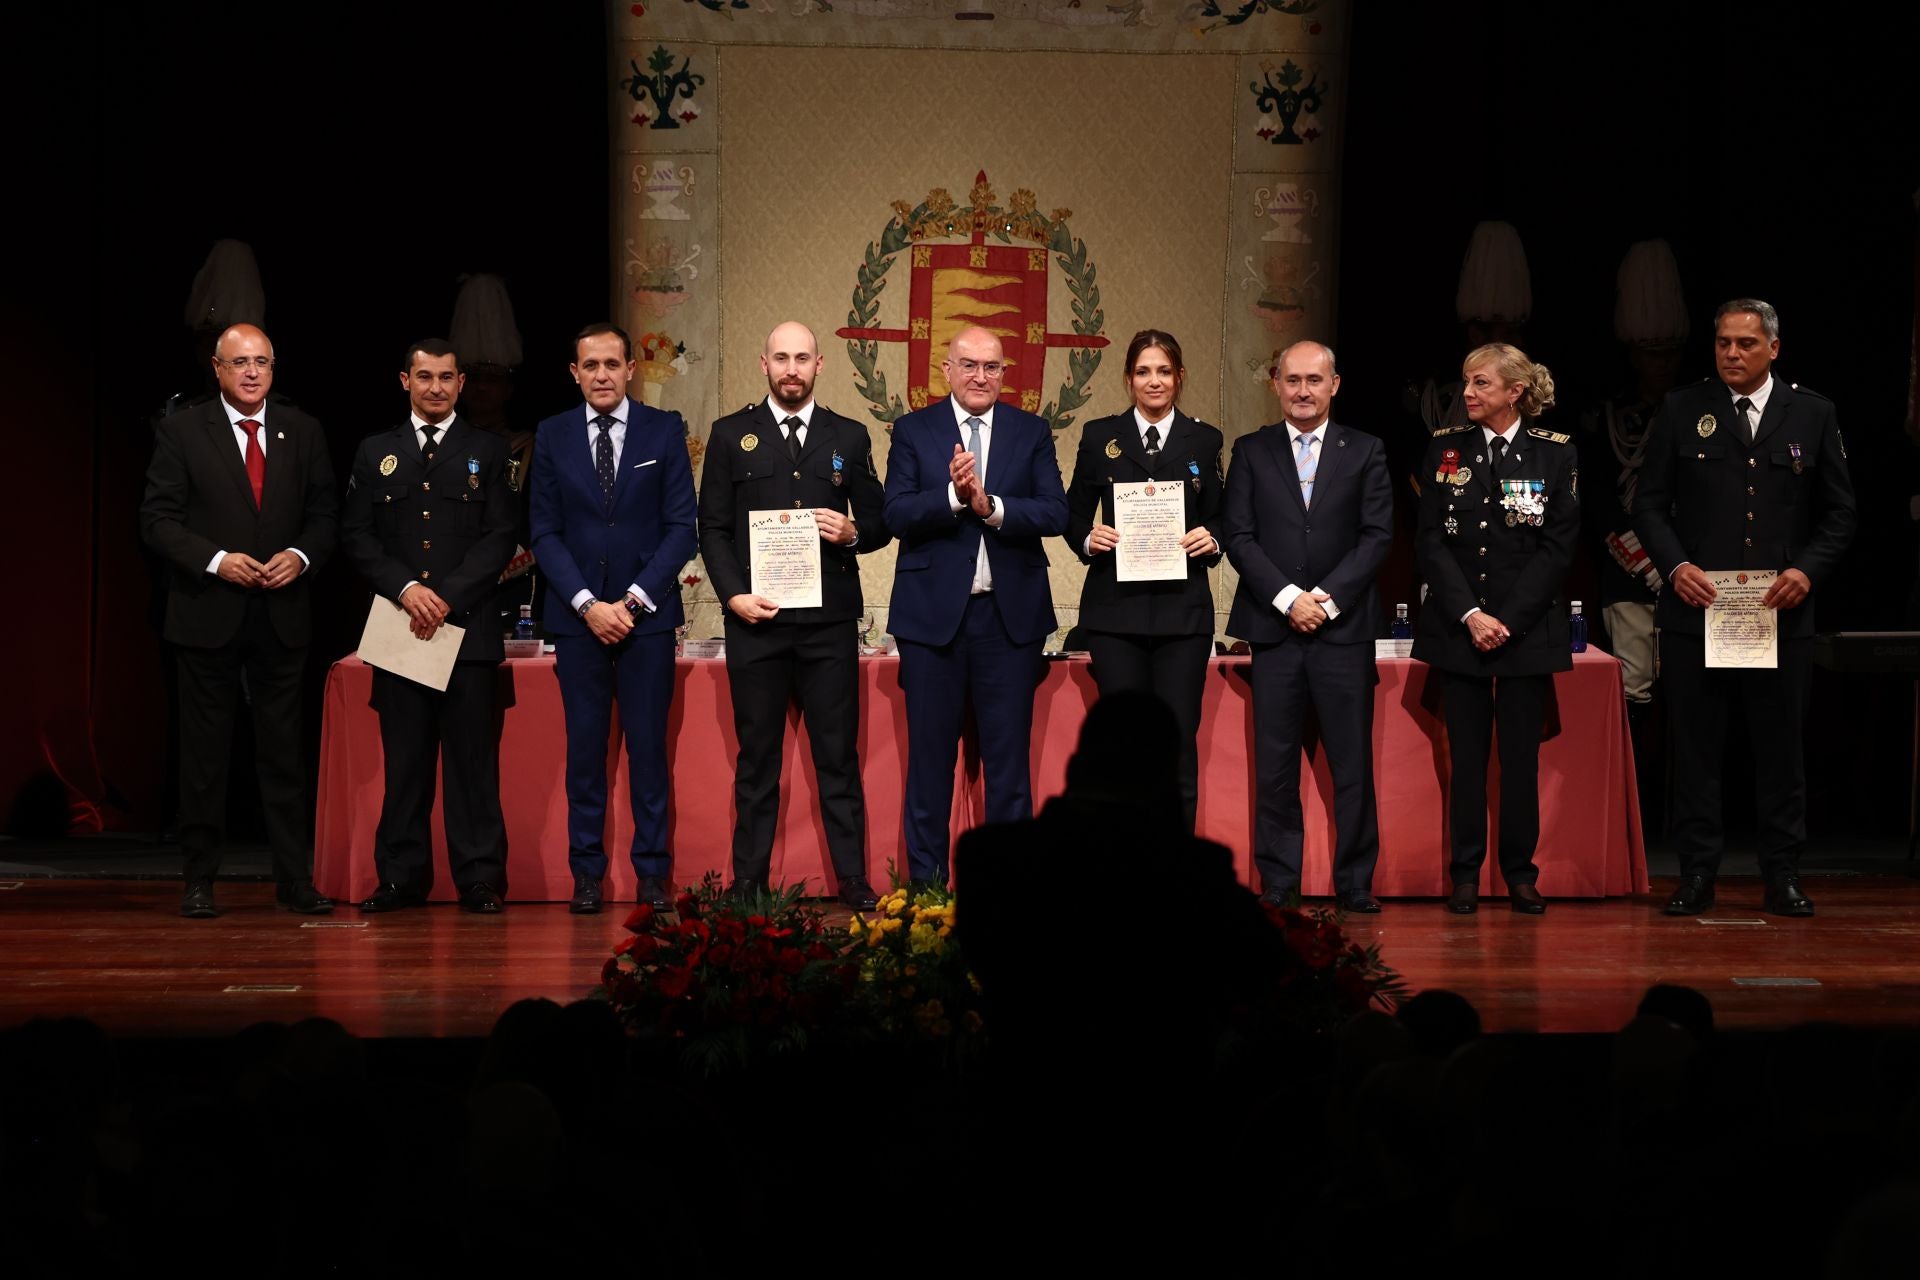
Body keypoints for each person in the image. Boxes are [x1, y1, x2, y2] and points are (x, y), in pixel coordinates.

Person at [1633, 299, 1856, 917]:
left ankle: (1782, 874)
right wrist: (1675, 566)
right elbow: (1648, 503)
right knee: (1698, 753)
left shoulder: (1811, 413)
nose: (1732, 353)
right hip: (1698, 613)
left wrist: (1806, 571)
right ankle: (1696, 875)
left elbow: (1841, 511)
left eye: (1746, 344)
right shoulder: (1684, 408)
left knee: (1780, 752)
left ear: (1774, 349)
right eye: (1724, 343)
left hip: (1777, 616)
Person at [139, 323, 338, 918]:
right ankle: (200, 878)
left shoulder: (302, 430)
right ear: (218, 370)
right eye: (239, 363)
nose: (252, 372)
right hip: (207, 614)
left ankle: (293, 879)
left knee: (283, 755)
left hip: (281, 615)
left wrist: (299, 556)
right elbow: (157, 521)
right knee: (204, 758)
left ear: (274, 368)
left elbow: (326, 515)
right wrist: (216, 560)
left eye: (262, 362)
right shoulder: (181, 431)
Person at [698, 321, 891, 907]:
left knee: (837, 757)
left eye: (801, 358)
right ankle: (749, 882)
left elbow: (882, 521)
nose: (791, 368)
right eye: (780, 357)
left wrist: (855, 531)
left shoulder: (849, 435)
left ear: (819, 364)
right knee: (757, 761)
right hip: (756, 622)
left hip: (829, 625)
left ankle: (852, 878)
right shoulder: (732, 435)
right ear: (764, 364)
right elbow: (714, 528)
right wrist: (732, 595)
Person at [882, 324, 1068, 887]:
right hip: (931, 623)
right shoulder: (914, 430)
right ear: (946, 370)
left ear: (1004, 374)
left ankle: (1007, 890)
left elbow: (1054, 513)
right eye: (969, 365)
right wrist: (952, 496)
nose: (980, 376)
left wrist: (990, 507)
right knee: (930, 767)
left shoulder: (1031, 431)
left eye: (991, 367)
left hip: (1008, 623)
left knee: (1008, 768)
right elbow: (895, 513)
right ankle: (926, 891)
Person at [340, 338, 518, 913]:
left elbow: (500, 536)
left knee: (473, 768)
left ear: (461, 384)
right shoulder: (375, 452)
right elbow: (357, 536)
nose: (435, 387)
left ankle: (481, 880)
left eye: (446, 377)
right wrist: (408, 589)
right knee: (406, 765)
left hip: (466, 630)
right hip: (400, 627)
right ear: (404, 381)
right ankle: (399, 879)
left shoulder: (490, 451)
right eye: (424, 377)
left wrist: (446, 596)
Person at [530, 323, 698, 913]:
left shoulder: (663, 429)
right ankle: (586, 875)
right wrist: (586, 604)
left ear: (631, 369)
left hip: (645, 620)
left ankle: (653, 875)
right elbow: (544, 532)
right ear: (574, 373)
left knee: (649, 752)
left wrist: (628, 603)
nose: (601, 375)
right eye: (589, 365)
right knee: (585, 753)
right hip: (578, 622)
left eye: (612, 364)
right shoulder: (551, 435)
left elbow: (683, 528)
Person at [1222, 341, 1393, 910]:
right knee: (1274, 767)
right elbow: (1239, 537)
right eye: (1292, 380)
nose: (1302, 391)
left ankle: (1356, 884)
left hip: (1342, 633)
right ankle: (1278, 883)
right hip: (1276, 632)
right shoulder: (1250, 451)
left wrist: (1326, 599)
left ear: (1334, 385)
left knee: (1352, 767)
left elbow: (1377, 537)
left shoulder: (1366, 451)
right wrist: (1289, 598)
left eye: (1313, 380)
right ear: (1275, 384)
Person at [1413, 343, 1578, 914]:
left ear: (1515, 392)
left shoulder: (1555, 455)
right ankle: (1465, 873)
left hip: (1525, 631)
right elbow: (1430, 541)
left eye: (1481, 384)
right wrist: (1470, 615)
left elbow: (1557, 549)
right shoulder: (1444, 450)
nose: (1468, 393)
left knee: (1519, 759)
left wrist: (1507, 619)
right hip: (1462, 628)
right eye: (1466, 382)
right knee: (1466, 755)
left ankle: (1519, 873)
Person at [1064, 330, 1224, 832]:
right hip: (1116, 615)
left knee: (1177, 745)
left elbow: (1226, 519)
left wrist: (1212, 539)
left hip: (1183, 614)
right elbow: (1071, 517)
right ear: (1129, 378)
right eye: (1142, 371)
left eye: (1163, 371)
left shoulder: (1206, 438)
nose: (1153, 381)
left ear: (1179, 378)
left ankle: (1174, 871)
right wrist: (1091, 540)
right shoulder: (1098, 436)